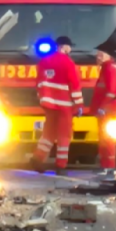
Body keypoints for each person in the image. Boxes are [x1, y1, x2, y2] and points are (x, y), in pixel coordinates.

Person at [30, 36, 84, 174]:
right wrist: (79, 105)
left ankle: (37, 158)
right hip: (64, 105)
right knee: (64, 135)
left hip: (48, 104)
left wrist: (43, 99)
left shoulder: (44, 61)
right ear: (64, 47)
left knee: (48, 133)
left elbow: (39, 82)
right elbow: (75, 85)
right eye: (69, 46)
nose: (70, 49)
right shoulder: (68, 63)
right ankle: (60, 166)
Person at [92, 42, 116, 181]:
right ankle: (106, 166)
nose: (97, 57)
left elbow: (111, 91)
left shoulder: (109, 68)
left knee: (107, 139)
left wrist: (102, 107)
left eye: (100, 54)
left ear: (108, 56)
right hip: (110, 109)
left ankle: (109, 168)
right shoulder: (111, 67)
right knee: (105, 138)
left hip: (109, 110)